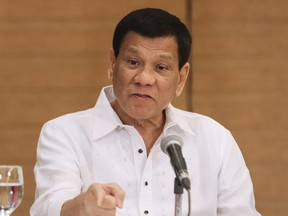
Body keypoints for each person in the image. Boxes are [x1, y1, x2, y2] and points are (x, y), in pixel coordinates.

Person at [30, 8, 261, 216]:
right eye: (133, 62)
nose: (144, 79)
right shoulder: (64, 134)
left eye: (161, 67)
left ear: (181, 78)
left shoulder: (215, 139)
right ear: (112, 64)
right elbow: (48, 206)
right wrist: (80, 208)